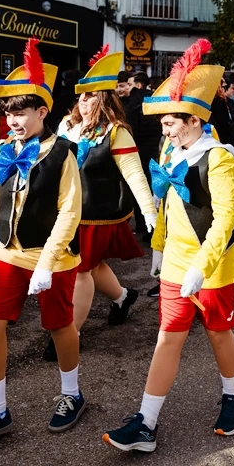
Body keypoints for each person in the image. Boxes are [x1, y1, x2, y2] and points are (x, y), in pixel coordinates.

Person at [103, 40, 234, 452]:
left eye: (170, 123)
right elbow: (169, 207)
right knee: (168, 336)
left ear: (194, 120)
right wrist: (159, 248)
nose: (164, 130)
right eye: (164, 123)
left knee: (219, 333)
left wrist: (201, 267)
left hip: (213, 266)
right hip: (175, 264)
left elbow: (225, 220)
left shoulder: (219, 159)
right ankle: (146, 422)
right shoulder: (171, 150)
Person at [0, 38, 86, 450]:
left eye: (20, 112)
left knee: (59, 326)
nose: (12, 120)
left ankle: (72, 394)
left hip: (54, 260)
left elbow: (69, 213)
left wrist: (46, 263)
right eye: (8, 113)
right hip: (10, 253)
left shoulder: (63, 154)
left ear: (42, 112)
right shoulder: (6, 150)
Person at [53, 46, 157, 361]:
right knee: (93, 265)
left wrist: (150, 213)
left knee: (81, 269)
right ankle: (123, 297)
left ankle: (70, 332)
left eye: (91, 96)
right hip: (67, 212)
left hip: (98, 214)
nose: (83, 101)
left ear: (104, 99)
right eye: (81, 96)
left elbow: (135, 175)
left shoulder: (116, 132)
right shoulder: (65, 126)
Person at [126, 70, 163, 240]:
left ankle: (140, 224)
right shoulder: (153, 101)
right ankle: (148, 224)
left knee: (137, 186)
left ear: (138, 85)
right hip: (152, 150)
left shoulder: (133, 103)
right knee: (148, 186)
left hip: (137, 151)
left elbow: (131, 131)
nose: (124, 88)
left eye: (128, 84)